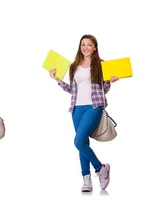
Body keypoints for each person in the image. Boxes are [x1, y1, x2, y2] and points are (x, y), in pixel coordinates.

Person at [49, 34, 119, 192]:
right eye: (83, 45)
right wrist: (58, 80)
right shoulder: (74, 66)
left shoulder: (101, 64)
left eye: (89, 45)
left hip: (94, 106)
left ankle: (100, 168)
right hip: (76, 108)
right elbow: (72, 90)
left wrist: (109, 81)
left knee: (78, 141)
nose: (86, 48)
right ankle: (86, 179)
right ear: (79, 47)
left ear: (95, 47)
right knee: (83, 143)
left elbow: (104, 90)